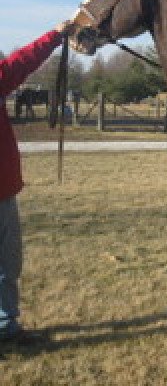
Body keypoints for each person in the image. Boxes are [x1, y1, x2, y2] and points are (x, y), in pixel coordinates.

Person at [0, 21, 72, 344]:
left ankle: (5, 326)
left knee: (7, 262)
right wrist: (55, 35)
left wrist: (56, 35)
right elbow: (21, 62)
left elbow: (21, 62)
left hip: (3, 191)